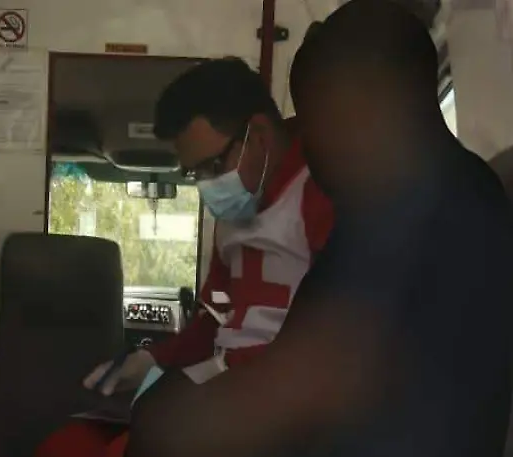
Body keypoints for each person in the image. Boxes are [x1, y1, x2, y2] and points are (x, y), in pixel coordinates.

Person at [31, 2, 513, 457]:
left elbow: (315, 379)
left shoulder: (421, 207)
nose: (312, 148)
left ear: (375, 102)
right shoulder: (420, 202)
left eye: (318, 120)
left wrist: (174, 429)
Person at [83, 56, 334, 394]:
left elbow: (339, 336)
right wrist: (152, 360)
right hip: (235, 389)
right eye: (194, 173)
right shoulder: (234, 215)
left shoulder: (324, 190)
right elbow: (215, 318)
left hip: (290, 397)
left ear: (259, 136)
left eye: (213, 166)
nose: (207, 186)